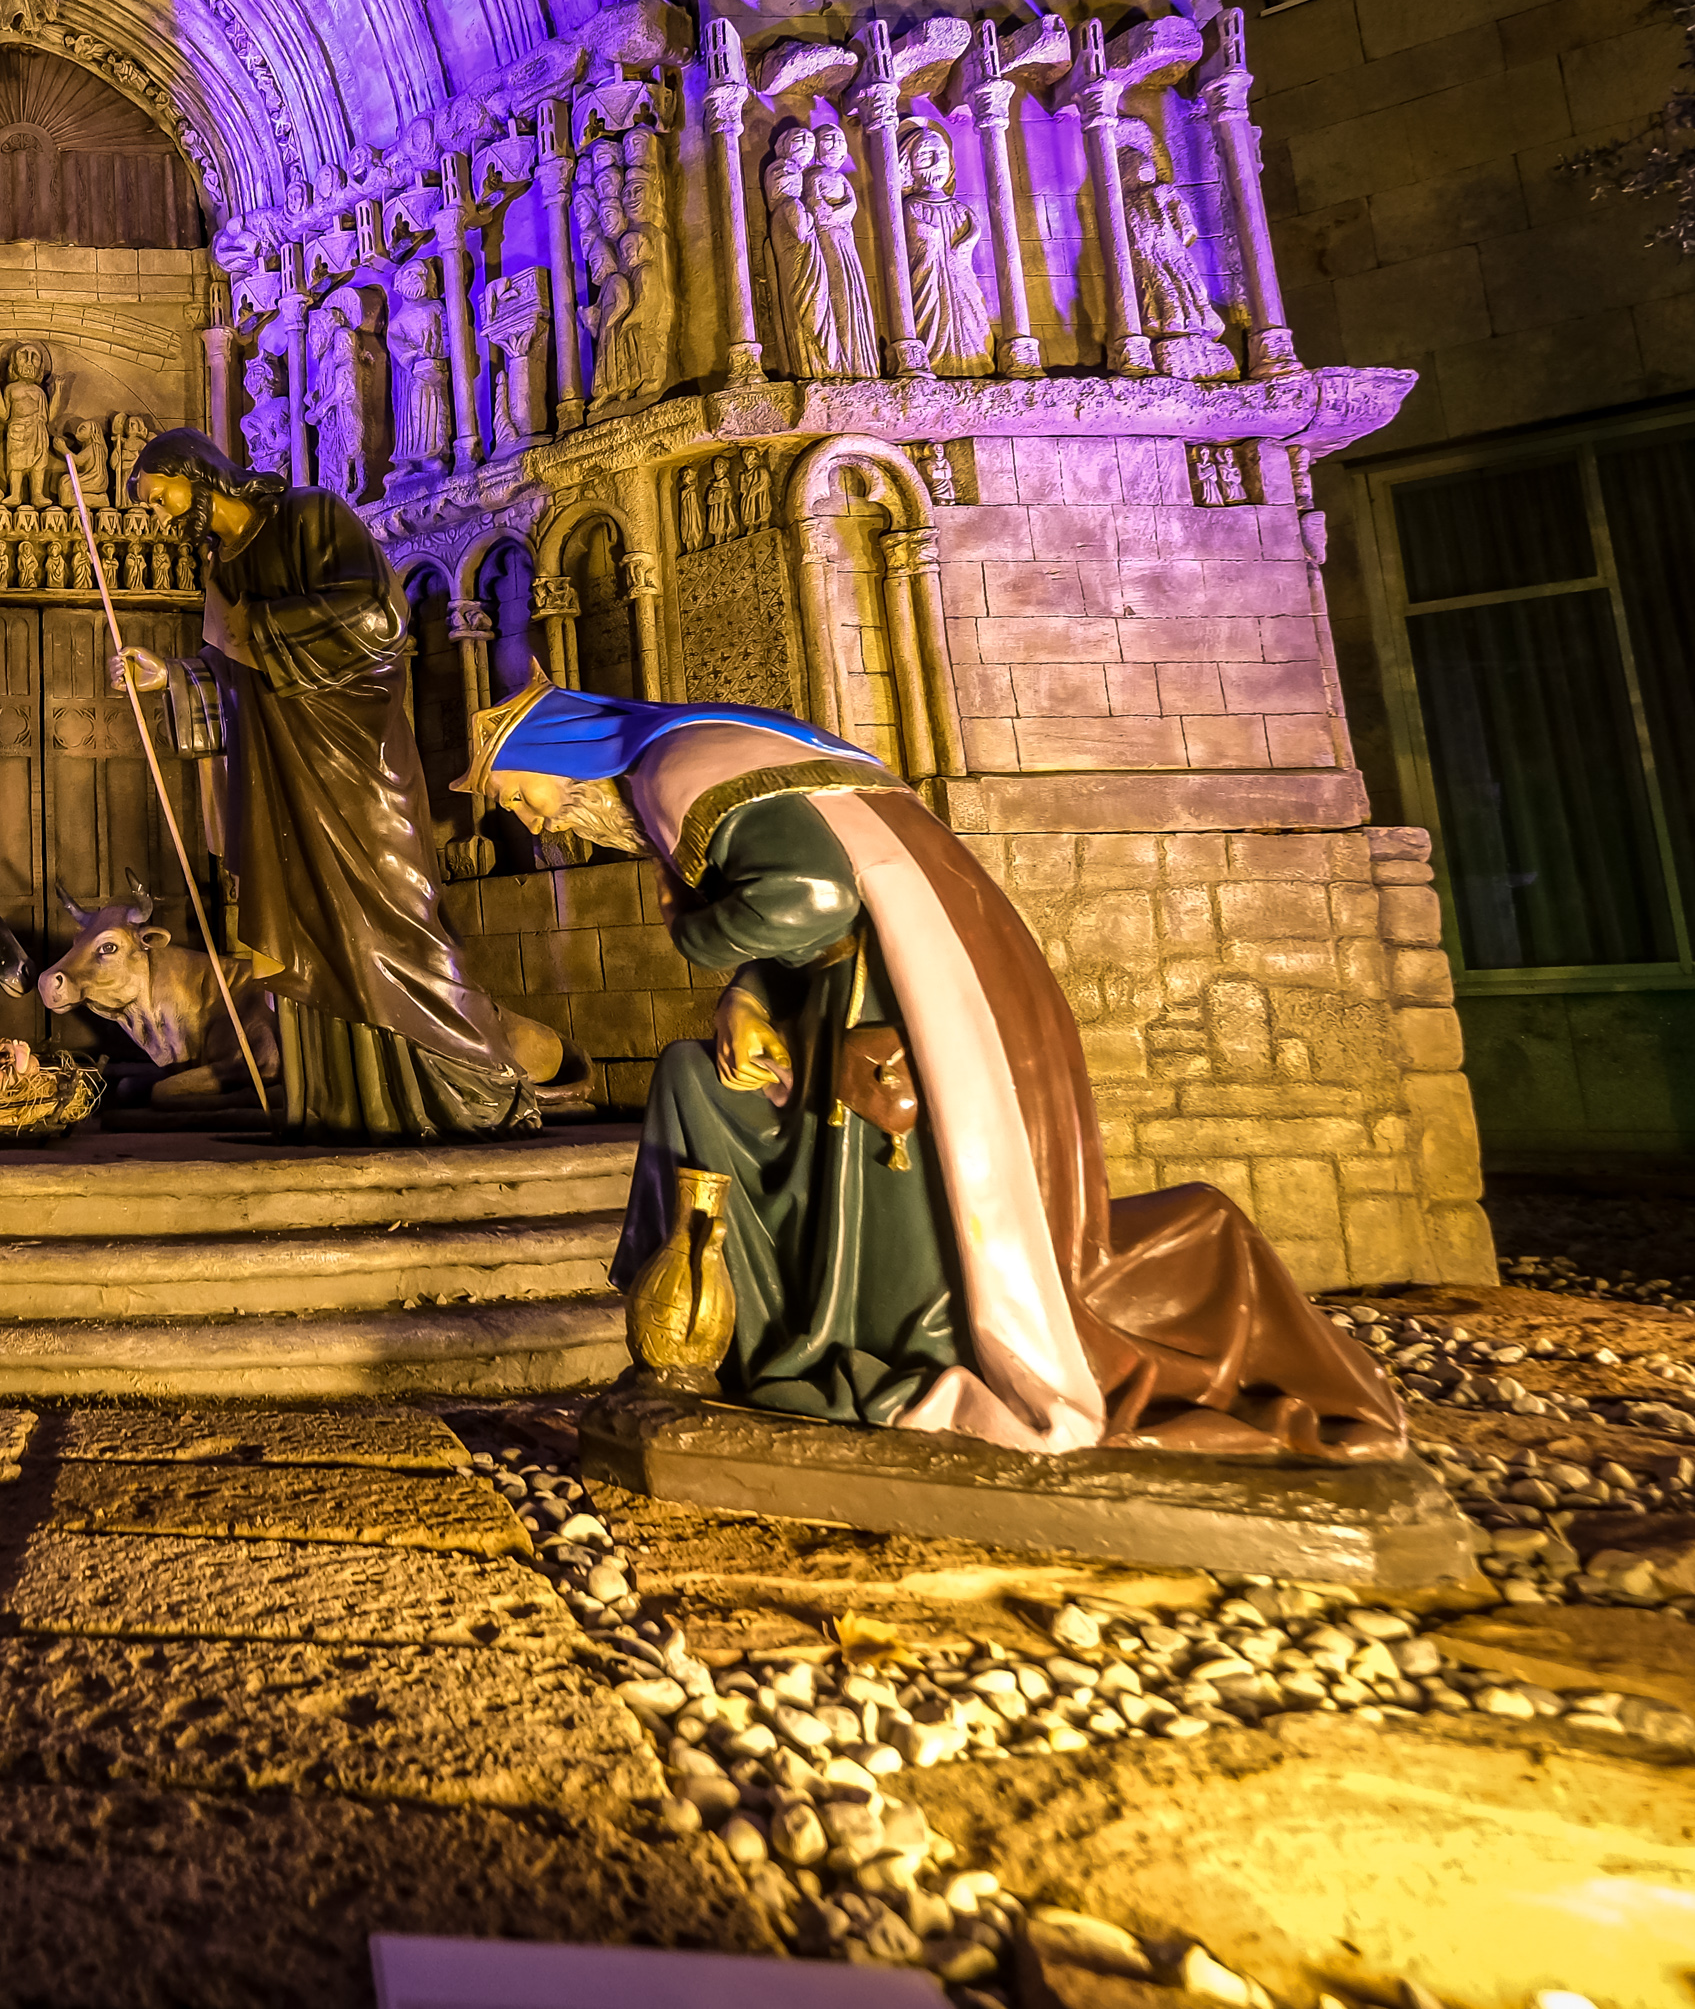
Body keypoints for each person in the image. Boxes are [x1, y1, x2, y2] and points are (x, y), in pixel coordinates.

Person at [460, 670, 1406, 1459]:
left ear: (563, 756)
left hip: (885, 1020)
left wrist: (702, 939)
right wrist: (744, 993)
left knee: (786, 1135)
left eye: (519, 793)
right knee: (696, 1081)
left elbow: (810, 897)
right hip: (867, 997)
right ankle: (755, 1331)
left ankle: (858, 1350)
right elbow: (809, 903)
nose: (534, 823)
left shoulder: (680, 770)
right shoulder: (706, 758)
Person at [113, 428, 525, 1141]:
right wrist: (171, 676)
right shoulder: (221, 571)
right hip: (282, 777)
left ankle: (469, 1084)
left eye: (157, 499)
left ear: (193, 474)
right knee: (305, 919)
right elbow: (236, 676)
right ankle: (344, 1100)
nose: (157, 517)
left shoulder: (309, 515)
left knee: (394, 917)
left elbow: (379, 617)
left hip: (355, 762)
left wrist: (263, 628)